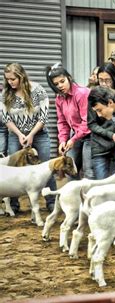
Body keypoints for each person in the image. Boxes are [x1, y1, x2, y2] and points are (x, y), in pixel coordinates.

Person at [1, 63, 57, 211]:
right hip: (15, 135)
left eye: (13, 79)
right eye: (7, 79)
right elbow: (6, 118)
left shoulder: (37, 90)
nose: (10, 82)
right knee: (12, 169)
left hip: (39, 134)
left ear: (21, 76)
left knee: (46, 167)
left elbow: (43, 116)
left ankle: (51, 201)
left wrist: (31, 134)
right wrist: (20, 134)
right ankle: (13, 204)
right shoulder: (6, 94)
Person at [45, 63, 94, 179]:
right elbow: (62, 122)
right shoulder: (59, 98)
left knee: (89, 171)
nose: (60, 86)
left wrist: (72, 139)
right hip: (75, 134)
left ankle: (89, 196)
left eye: (62, 81)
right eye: (56, 84)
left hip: (90, 135)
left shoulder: (82, 93)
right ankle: (72, 197)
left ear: (69, 78)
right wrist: (62, 140)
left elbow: (86, 121)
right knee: (70, 169)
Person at [87, 62, 115, 179]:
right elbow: (91, 124)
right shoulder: (95, 95)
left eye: (108, 80)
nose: (104, 84)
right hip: (100, 145)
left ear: (114, 79)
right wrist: (111, 135)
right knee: (101, 182)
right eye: (101, 80)